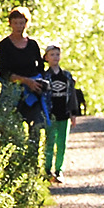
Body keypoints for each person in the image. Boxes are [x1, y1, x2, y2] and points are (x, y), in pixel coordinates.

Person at [0, 10, 48, 168]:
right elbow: (3, 72)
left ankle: (32, 164)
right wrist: (24, 81)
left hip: (33, 91)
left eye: (22, 22)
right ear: (10, 23)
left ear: (27, 23)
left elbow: (41, 68)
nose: (19, 26)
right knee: (4, 124)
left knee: (37, 125)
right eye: (16, 22)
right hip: (12, 90)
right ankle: (8, 162)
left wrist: (39, 83)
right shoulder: (5, 45)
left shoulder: (32, 45)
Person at [36, 44, 82, 184]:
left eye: (57, 54)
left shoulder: (66, 76)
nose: (55, 57)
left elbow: (72, 94)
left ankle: (59, 170)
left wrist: (73, 113)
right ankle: (47, 169)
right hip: (50, 114)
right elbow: (41, 96)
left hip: (64, 114)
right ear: (46, 58)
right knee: (49, 142)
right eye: (52, 55)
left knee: (62, 143)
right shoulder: (44, 76)